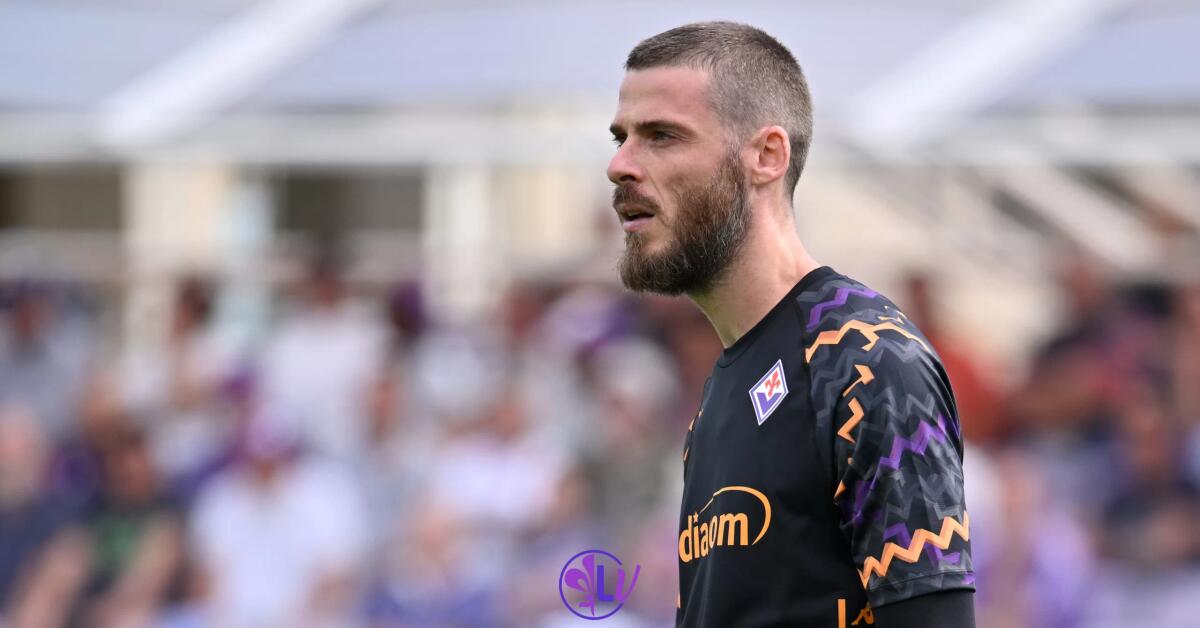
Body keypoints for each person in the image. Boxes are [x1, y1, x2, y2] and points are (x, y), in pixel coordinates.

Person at [606, 22, 975, 627]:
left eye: (662, 136)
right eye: (621, 138)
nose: (620, 165)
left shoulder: (866, 360)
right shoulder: (723, 390)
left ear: (767, 157)